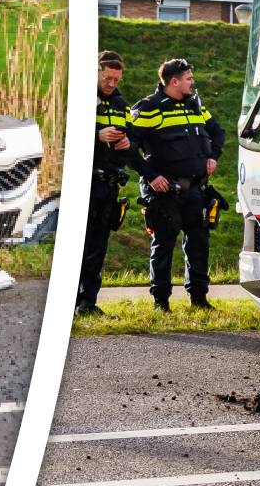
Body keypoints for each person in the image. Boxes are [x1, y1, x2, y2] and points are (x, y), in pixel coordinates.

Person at [127, 57, 225, 311]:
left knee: (199, 244)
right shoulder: (149, 108)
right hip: (164, 193)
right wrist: (151, 176)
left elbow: (218, 132)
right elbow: (128, 148)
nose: (193, 82)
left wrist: (213, 156)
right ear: (174, 81)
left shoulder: (195, 105)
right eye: (189, 79)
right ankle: (161, 302)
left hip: (195, 190)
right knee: (163, 246)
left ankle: (199, 300)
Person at [79, 50, 138, 316]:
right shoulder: (82, 98)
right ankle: (72, 300)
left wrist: (127, 143)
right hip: (87, 183)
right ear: (97, 72)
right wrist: (96, 135)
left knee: (98, 247)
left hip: (109, 186)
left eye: (116, 80)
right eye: (107, 79)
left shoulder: (122, 105)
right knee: (81, 245)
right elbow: (66, 132)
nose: (112, 84)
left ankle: (88, 303)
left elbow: (133, 141)